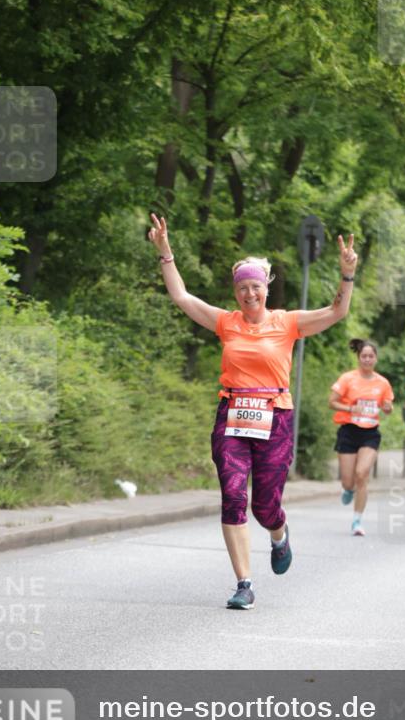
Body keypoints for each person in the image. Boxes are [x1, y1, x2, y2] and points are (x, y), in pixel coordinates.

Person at [147, 213, 358, 609]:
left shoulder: (287, 323)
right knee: (231, 494)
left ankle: (279, 533)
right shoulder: (226, 323)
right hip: (232, 415)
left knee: (264, 504)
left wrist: (346, 276)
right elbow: (182, 298)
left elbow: (335, 313)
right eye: (242, 288)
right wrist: (165, 252)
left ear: (266, 288)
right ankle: (244, 582)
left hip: (275, 417)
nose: (249, 294)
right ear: (236, 291)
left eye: (255, 287)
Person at [329, 339, 394, 536]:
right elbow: (332, 402)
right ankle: (348, 490)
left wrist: (388, 408)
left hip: (370, 433)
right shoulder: (348, 378)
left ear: (376, 358)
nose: (367, 359)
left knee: (362, 474)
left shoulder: (382, 383)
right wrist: (350, 408)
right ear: (359, 358)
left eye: (371, 356)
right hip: (349, 430)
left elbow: (388, 407)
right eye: (364, 356)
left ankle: (357, 521)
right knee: (348, 481)